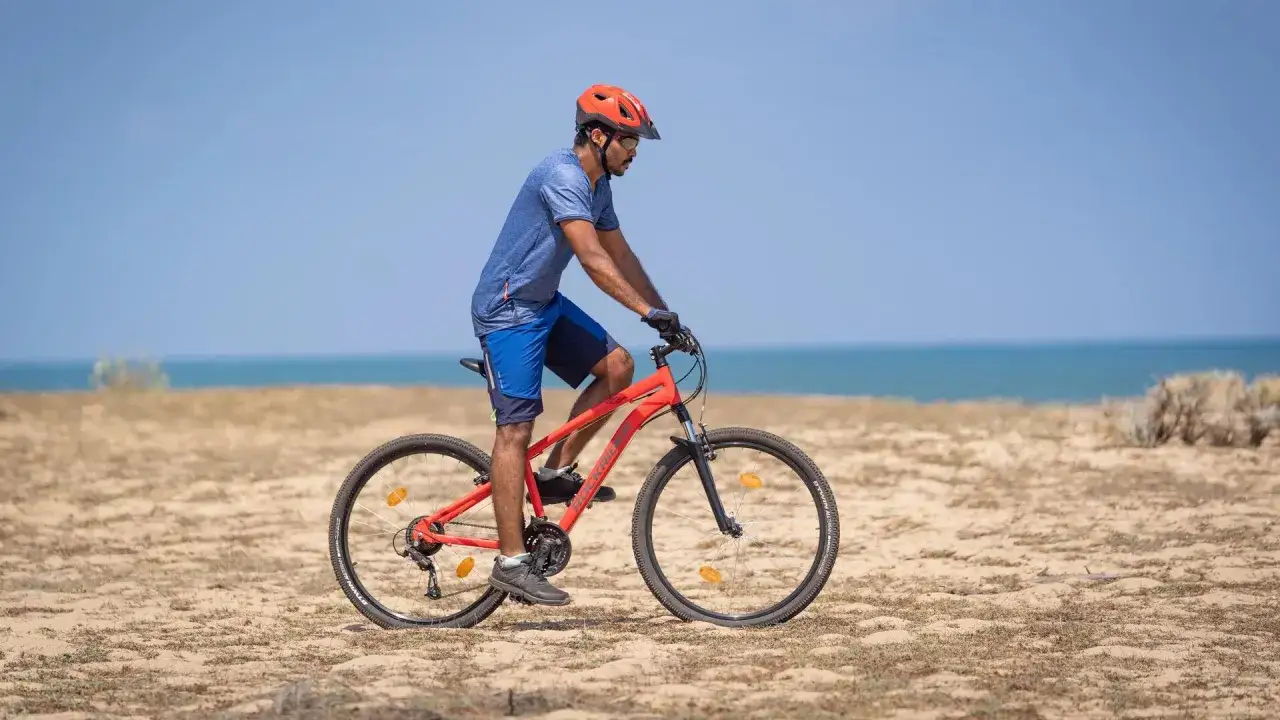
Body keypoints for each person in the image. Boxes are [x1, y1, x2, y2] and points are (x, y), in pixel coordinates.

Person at [469, 84, 682, 606]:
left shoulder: (598, 186)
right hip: (507, 311)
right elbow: (591, 258)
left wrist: (664, 314)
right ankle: (511, 563)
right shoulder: (563, 176)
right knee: (515, 430)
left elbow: (620, 254)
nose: (634, 152)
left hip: (543, 304)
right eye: (629, 140)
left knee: (618, 366)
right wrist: (644, 311)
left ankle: (553, 472)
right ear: (599, 135)